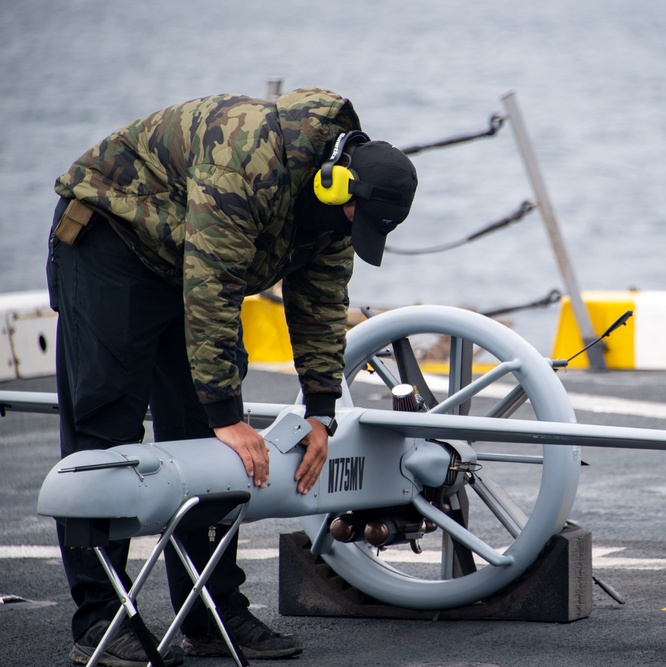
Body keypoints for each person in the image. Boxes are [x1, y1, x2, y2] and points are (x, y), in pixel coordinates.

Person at [47, 87, 418, 666]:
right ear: (334, 183)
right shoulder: (246, 156)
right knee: (106, 425)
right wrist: (229, 415)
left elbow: (320, 304)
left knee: (207, 445)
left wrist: (322, 410)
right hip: (112, 240)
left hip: (182, 261)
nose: (354, 230)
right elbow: (214, 288)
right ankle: (99, 619)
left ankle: (210, 614)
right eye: (356, 219)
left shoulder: (337, 215)